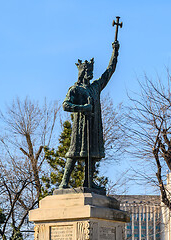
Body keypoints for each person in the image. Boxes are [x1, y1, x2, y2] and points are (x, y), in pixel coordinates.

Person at [59, 41, 120, 189]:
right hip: (80, 127)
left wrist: (115, 53)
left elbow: (109, 71)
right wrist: (82, 108)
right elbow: (65, 105)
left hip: (93, 126)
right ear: (82, 73)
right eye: (87, 71)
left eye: (91, 71)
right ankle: (64, 183)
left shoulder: (95, 87)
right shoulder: (75, 89)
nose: (90, 74)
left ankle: (89, 181)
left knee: (91, 153)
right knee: (74, 152)